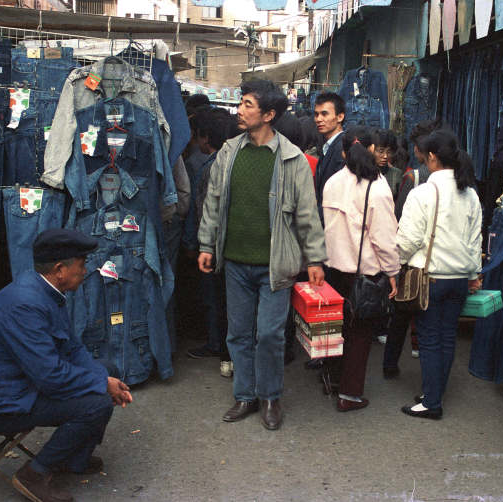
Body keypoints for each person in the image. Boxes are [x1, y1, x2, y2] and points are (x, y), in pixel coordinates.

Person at [0, 228, 133, 502]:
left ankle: (73, 459)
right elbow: (50, 376)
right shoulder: (26, 304)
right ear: (59, 270)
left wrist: (102, 377)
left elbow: (72, 348)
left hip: (20, 383)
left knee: (106, 368)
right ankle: (34, 474)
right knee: (97, 403)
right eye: (81, 265)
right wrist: (101, 385)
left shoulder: (45, 290)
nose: (86, 271)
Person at [198, 79, 327, 430]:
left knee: (269, 335)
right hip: (236, 261)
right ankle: (245, 395)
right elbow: (213, 202)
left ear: (269, 114)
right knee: (238, 333)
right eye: (240, 103)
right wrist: (207, 245)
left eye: (247, 104)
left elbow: (307, 213)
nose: (239, 110)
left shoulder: (292, 158)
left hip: (276, 264)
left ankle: (270, 396)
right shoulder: (229, 152)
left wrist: (314, 259)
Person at [397, 128, 482, 420]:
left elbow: (407, 240)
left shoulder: (423, 193)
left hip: (430, 278)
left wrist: (396, 264)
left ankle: (432, 402)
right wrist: (474, 274)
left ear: (431, 157)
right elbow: (475, 240)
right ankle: (434, 392)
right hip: (459, 279)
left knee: (430, 340)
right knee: (447, 339)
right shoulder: (470, 193)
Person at [322, 126, 400, 411]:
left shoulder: (332, 182)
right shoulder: (376, 186)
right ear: (370, 150)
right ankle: (350, 394)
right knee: (359, 335)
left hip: (333, 269)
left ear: (343, 152)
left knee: (336, 328)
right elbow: (385, 239)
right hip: (364, 273)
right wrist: (393, 273)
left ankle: (331, 379)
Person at [186, 108, 240, 380]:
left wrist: (199, 244)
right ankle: (228, 353)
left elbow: (205, 211)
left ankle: (222, 349)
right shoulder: (230, 162)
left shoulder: (213, 167)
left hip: (218, 248)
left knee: (217, 301)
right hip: (227, 247)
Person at [313, 92, 346, 225]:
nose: (318, 119)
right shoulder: (327, 146)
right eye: (316, 114)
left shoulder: (343, 148)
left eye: (324, 114)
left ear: (340, 117)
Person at [372, 129, 404, 201]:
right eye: (381, 151)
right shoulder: (365, 173)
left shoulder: (396, 174)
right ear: (372, 150)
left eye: (389, 152)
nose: (385, 156)